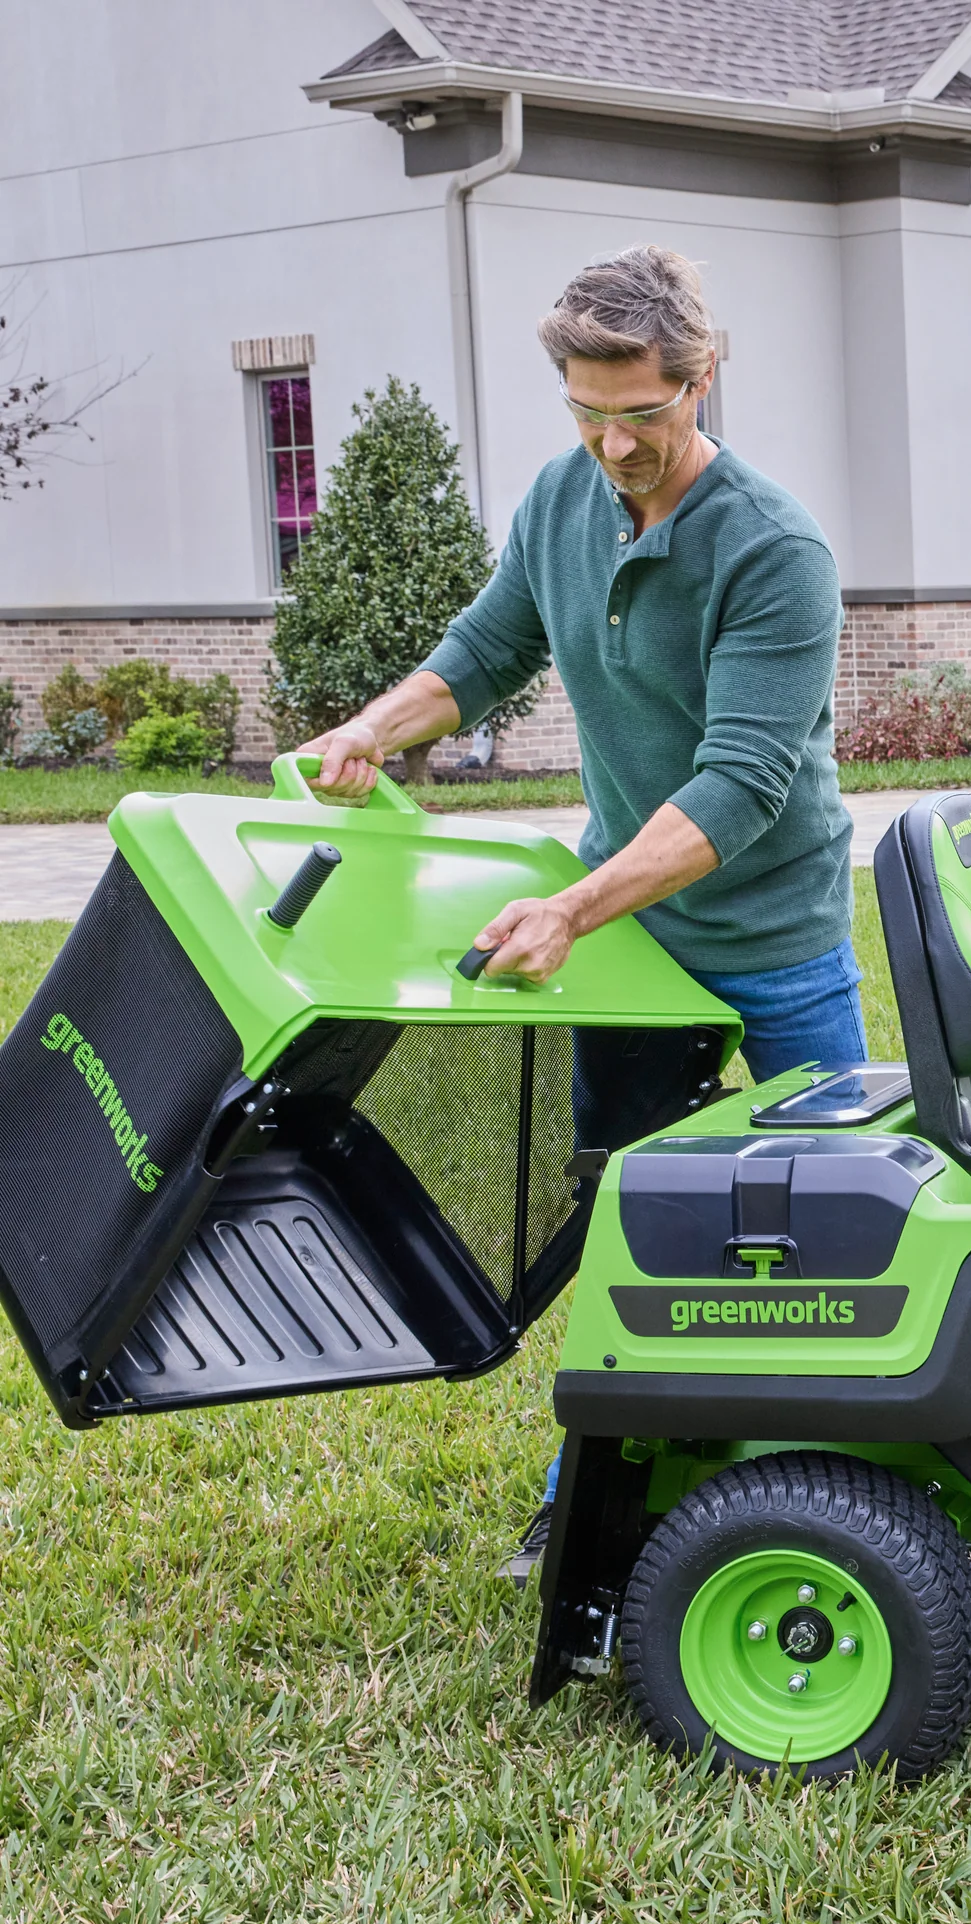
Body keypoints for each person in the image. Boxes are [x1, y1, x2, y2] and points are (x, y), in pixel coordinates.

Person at [298, 245, 866, 1578]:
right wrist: (376, 728)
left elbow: (742, 784)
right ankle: (593, 1496)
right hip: (632, 941)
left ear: (702, 378)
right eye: (588, 413)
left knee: (839, 1224)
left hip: (774, 941)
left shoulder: (775, 550)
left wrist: (573, 907)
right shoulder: (563, 498)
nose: (615, 445)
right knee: (625, 1218)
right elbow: (487, 650)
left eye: (643, 414)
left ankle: (839, 1485)